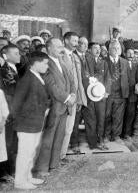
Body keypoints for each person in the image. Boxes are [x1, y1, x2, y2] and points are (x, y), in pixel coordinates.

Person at [34, 38, 75, 176]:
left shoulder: (62, 61)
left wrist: (73, 94)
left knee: (59, 136)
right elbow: (51, 86)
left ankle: (53, 164)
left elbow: (71, 80)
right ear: (49, 48)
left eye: (62, 46)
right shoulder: (45, 63)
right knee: (48, 137)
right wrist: (67, 98)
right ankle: (42, 168)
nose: (61, 48)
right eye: (58, 47)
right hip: (53, 106)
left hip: (64, 106)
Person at [12, 52, 50, 190]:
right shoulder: (27, 79)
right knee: (25, 153)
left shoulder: (36, 76)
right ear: (36, 63)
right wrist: (25, 118)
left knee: (31, 153)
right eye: (45, 63)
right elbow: (16, 103)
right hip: (27, 124)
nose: (47, 66)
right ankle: (20, 182)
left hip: (35, 122)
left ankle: (27, 176)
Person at [60, 32, 87, 158]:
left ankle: (62, 156)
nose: (76, 44)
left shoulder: (74, 56)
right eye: (74, 41)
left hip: (74, 98)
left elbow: (79, 80)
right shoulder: (60, 55)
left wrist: (79, 98)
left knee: (68, 130)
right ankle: (56, 157)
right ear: (65, 40)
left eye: (77, 41)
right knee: (60, 130)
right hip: (63, 99)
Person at [0, 44, 20, 176]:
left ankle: (11, 169)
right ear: (6, 56)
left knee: (12, 141)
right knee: (9, 142)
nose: (19, 55)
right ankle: (7, 171)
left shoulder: (12, 68)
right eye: (16, 53)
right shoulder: (5, 70)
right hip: (9, 111)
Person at [104, 40, 130, 144]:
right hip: (107, 94)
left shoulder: (125, 62)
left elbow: (128, 78)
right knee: (107, 115)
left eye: (118, 48)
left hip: (121, 94)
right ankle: (106, 135)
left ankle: (116, 136)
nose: (116, 50)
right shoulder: (103, 61)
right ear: (109, 50)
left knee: (118, 116)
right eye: (114, 48)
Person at [123, 48, 138, 140]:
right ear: (125, 53)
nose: (130, 54)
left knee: (131, 114)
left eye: (132, 53)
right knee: (120, 114)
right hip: (122, 93)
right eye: (128, 52)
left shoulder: (135, 65)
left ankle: (127, 133)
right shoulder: (121, 63)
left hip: (132, 94)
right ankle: (118, 134)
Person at [0, 89, 9, 179]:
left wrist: (2, 124)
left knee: (1, 152)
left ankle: (2, 174)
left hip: (0, 127)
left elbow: (5, 111)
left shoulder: (0, 93)